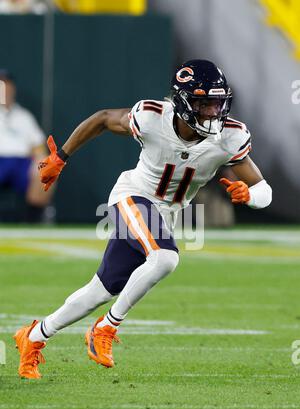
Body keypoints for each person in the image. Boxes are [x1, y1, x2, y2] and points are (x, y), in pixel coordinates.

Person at [14, 59, 272, 379]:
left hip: (165, 214)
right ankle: (106, 328)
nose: (212, 112)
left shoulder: (230, 137)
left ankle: (34, 336)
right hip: (132, 197)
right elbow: (103, 119)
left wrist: (250, 197)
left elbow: (264, 189)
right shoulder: (152, 118)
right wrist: (61, 157)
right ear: (182, 102)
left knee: (100, 290)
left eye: (217, 103)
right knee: (165, 258)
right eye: (204, 103)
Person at [0, 69, 51, 222]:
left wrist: (41, 159)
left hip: (21, 163)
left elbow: (39, 146)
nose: (5, 91)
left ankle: (33, 221)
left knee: (46, 166)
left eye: (8, 86)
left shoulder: (24, 116)